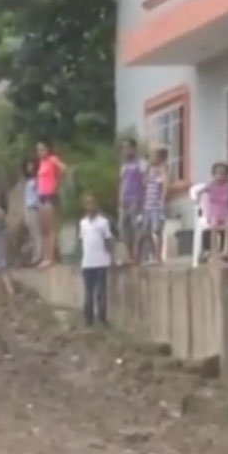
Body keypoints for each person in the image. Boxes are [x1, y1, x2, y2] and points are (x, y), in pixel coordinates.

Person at [79, 193, 114, 326]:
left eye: (92, 203)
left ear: (96, 206)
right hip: (87, 263)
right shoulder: (83, 223)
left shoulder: (103, 222)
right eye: (87, 204)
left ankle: (102, 318)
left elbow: (108, 240)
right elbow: (81, 241)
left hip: (101, 262)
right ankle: (88, 320)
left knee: (101, 292)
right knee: (88, 293)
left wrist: (112, 257)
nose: (90, 207)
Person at [197, 162, 228, 263]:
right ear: (213, 174)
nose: (220, 176)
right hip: (214, 211)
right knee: (214, 227)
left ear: (226, 175)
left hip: (225, 210)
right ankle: (213, 250)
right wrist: (196, 198)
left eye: (223, 174)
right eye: (218, 173)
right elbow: (201, 191)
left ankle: (226, 251)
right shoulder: (211, 185)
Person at [35, 140, 67, 268]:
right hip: (41, 196)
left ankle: (51, 257)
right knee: (44, 228)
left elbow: (64, 168)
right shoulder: (41, 163)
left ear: (47, 149)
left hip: (50, 195)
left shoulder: (52, 159)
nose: (40, 152)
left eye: (42, 149)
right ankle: (45, 256)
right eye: (38, 150)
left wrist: (57, 185)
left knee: (51, 227)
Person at [139, 146, 169, 264]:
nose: (151, 158)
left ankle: (158, 257)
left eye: (153, 155)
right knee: (146, 231)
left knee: (157, 231)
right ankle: (151, 254)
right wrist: (146, 169)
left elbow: (166, 184)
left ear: (160, 158)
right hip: (147, 205)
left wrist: (162, 199)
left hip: (156, 205)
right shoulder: (150, 170)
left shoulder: (162, 169)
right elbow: (144, 183)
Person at [117, 138, 145, 264]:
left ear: (134, 148)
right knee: (123, 227)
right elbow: (121, 182)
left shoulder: (140, 163)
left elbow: (144, 181)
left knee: (136, 227)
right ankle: (129, 255)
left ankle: (137, 256)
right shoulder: (123, 165)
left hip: (136, 198)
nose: (125, 151)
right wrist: (119, 197)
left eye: (127, 147)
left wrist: (142, 198)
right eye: (123, 148)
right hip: (124, 200)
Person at [19, 158, 42, 266]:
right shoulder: (26, 181)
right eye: (28, 166)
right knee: (32, 234)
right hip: (27, 208)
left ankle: (37, 257)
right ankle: (34, 255)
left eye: (31, 165)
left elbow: (39, 195)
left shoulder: (37, 180)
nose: (30, 168)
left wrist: (39, 207)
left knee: (36, 233)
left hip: (34, 208)